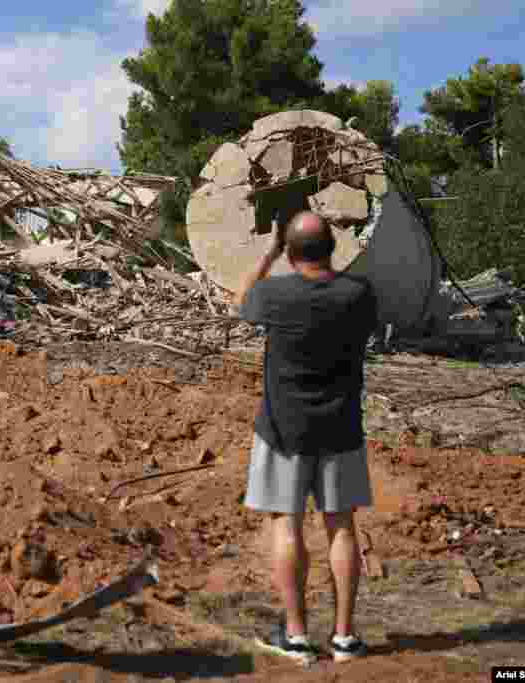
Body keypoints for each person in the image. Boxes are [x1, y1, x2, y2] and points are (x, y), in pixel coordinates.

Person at [236, 211, 378, 666]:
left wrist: (270, 251)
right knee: (341, 525)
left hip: (283, 430)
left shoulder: (275, 294)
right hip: (341, 428)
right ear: (332, 248)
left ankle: (296, 636)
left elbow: (243, 303)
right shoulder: (357, 294)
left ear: (291, 251)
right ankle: (345, 638)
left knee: (287, 525)